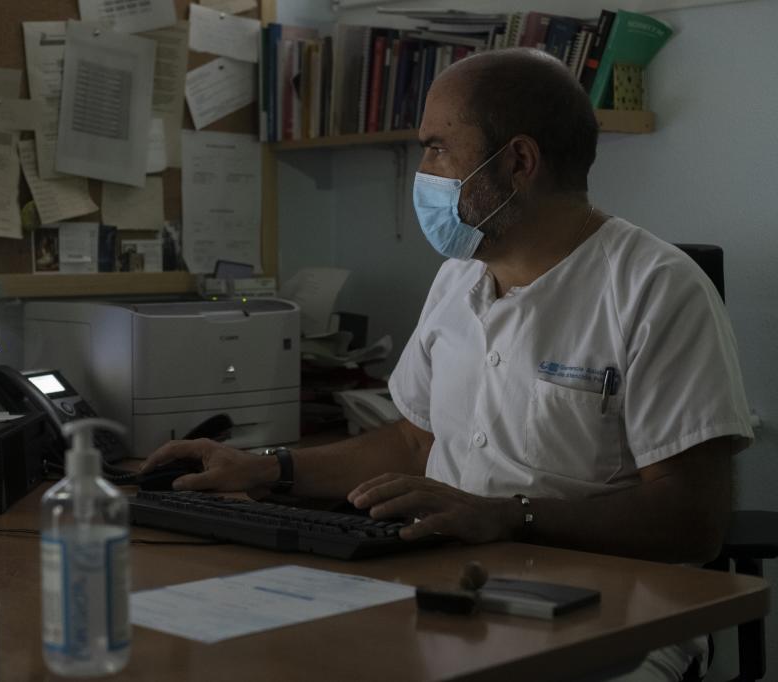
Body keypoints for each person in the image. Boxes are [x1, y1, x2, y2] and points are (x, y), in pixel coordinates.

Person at [141, 48, 753, 681]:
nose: (422, 171)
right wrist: (267, 469)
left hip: (606, 620)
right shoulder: (456, 278)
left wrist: (508, 515)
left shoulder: (654, 288)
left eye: (436, 149)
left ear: (519, 161)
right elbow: (413, 443)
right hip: (442, 592)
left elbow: (693, 520)